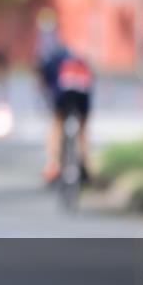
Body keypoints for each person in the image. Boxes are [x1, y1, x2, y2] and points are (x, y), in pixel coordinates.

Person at [33, 11, 93, 182]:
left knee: (57, 122)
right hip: (83, 90)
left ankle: (53, 164)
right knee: (82, 126)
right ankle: (84, 162)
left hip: (63, 93)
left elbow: (44, 84)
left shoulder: (50, 58)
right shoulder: (76, 57)